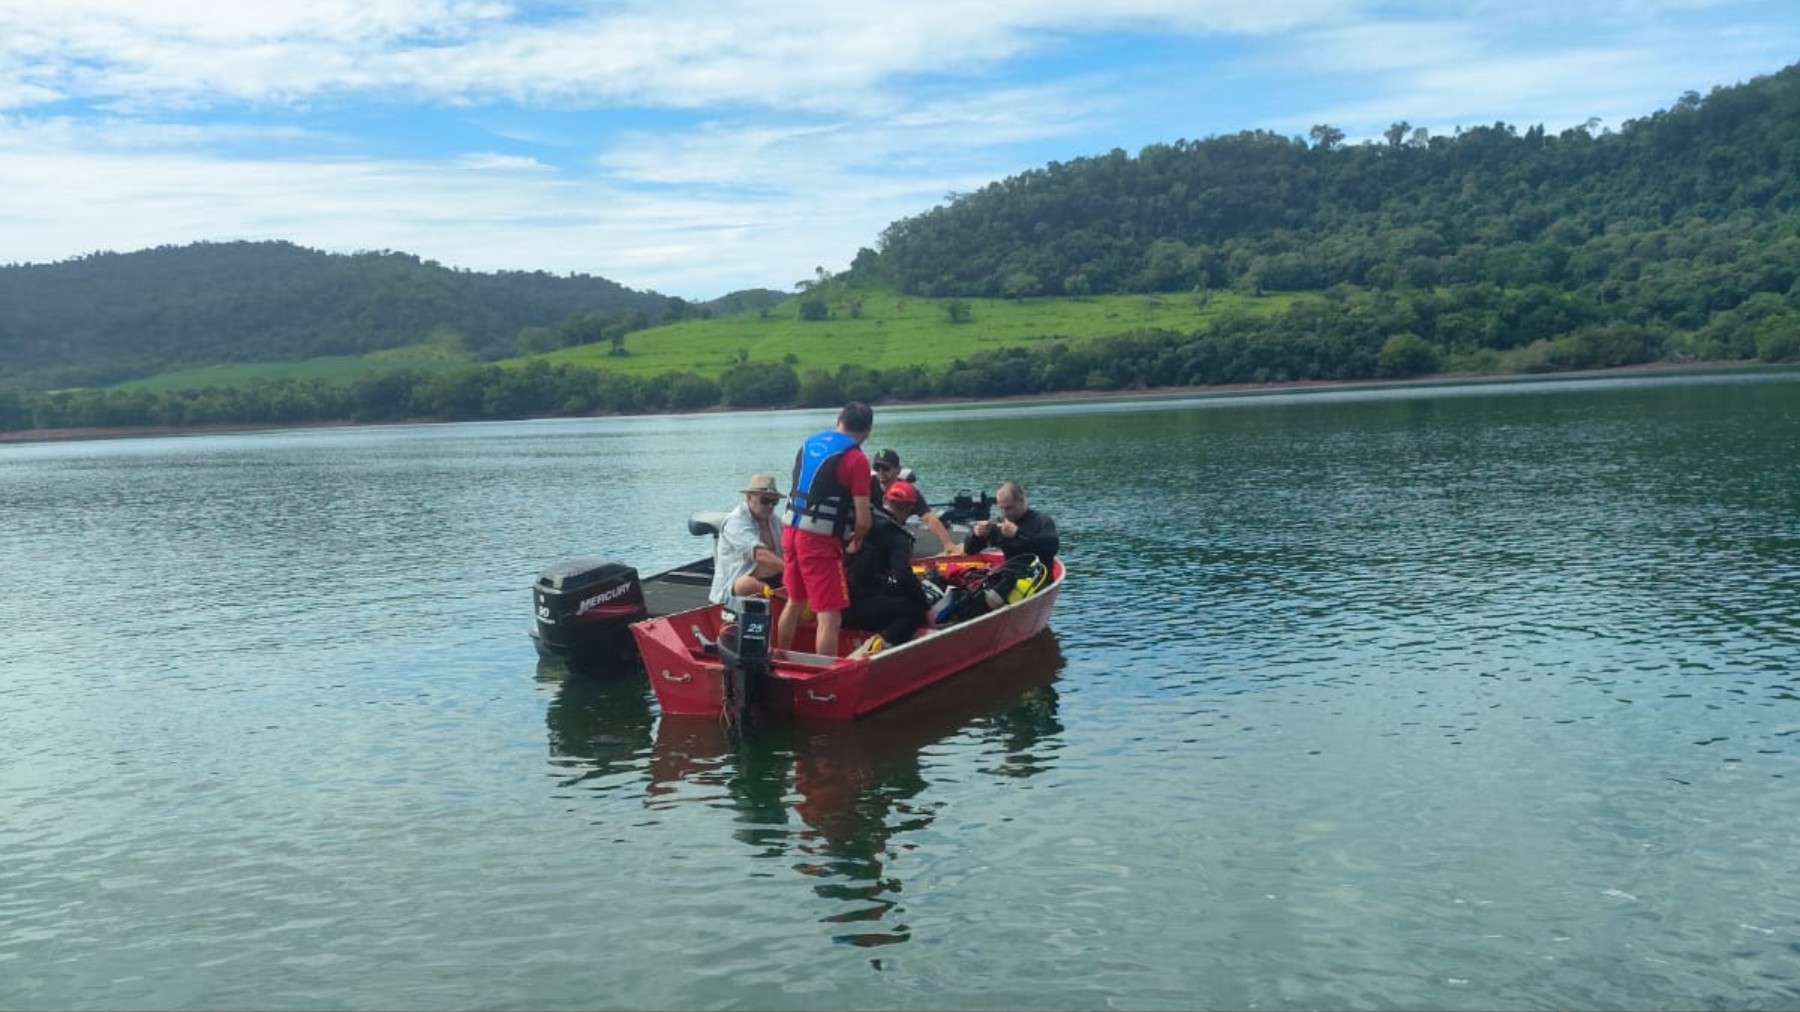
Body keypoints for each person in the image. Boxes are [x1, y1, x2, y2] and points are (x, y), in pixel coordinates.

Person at [775, 401, 874, 656]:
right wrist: (856, 541)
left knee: (795, 601)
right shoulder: (856, 459)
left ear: (838, 419)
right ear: (868, 431)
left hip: (790, 531)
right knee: (830, 617)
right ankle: (823, 677)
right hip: (818, 541)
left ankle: (780, 658)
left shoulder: (808, 445)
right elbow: (863, 519)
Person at [843, 485, 932, 652]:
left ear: (884, 500)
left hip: (839, 605)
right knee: (913, 612)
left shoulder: (861, 522)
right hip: (861, 609)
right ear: (910, 509)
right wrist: (925, 606)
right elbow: (903, 575)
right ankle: (880, 646)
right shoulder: (897, 536)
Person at [708, 473, 786, 606]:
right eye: (765, 501)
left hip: (774, 579)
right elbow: (760, 555)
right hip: (734, 589)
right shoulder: (736, 521)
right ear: (749, 498)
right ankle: (780, 600)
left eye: (774, 502)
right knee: (745, 584)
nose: (770, 506)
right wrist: (792, 571)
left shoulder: (775, 521)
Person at [870, 448, 955, 554]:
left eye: (886, 468)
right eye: (877, 468)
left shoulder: (908, 492)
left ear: (898, 469)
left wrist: (948, 544)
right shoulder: (865, 486)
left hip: (894, 539)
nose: (881, 472)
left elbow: (928, 518)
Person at [962, 480, 1059, 565]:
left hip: (1037, 575)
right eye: (1001, 508)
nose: (1005, 513)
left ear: (1021, 500)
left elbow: (1052, 547)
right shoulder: (999, 524)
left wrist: (1018, 534)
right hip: (1011, 574)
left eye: (1009, 508)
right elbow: (969, 550)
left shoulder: (1041, 521)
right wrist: (976, 535)